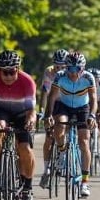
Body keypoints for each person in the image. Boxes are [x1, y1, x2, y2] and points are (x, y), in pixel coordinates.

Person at [0, 50, 37, 200]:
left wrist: (31, 121)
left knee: (25, 148)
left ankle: (27, 189)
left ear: (17, 69)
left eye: (11, 72)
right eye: (3, 72)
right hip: (2, 111)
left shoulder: (27, 82)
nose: (7, 76)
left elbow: (31, 111)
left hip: (21, 114)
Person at [46, 51, 98, 197]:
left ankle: (85, 182)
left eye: (77, 69)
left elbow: (94, 99)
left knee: (84, 142)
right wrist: (48, 115)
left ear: (83, 68)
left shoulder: (88, 77)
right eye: (70, 69)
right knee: (60, 126)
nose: (74, 73)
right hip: (64, 106)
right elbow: (52, 97)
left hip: (83, 108)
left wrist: (92, 115)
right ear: (66, 68)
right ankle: (62, 152)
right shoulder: (60, 76)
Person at [38, 49, 68, 189]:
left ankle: (63, 153)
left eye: (63, 67)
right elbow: (44, 92)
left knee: (61, 129)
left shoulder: (71, 73)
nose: (59, 69)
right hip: (53, 102)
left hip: (67, 103)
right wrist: (42, 111)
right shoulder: (49, 72)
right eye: (57, 66)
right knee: (49, 137)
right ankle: (46, 170)